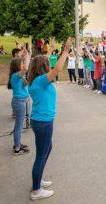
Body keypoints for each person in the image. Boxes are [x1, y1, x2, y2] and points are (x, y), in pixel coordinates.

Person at [27, 37, 71, 200]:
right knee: (41, 154)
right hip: (43, 122)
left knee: (47, 149)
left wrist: (51, 49)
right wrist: (65, 51)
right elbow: (58, 69)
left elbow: (46, 64)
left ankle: (38, 180)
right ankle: (36, 190)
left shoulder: (35, 80)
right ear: (43, 67)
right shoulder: (40, 81)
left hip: (42, 120)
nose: (49, 64)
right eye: (47, 63)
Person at [8, 48, 30, 155]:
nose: (22, 65)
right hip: (19, 102)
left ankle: (18, 143)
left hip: (20, 101)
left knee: (18, 125)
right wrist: (24, 56)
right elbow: (25, 68)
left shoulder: (17, 76)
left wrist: (25, 56)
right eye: (21, 64)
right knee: (18, 126)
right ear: (18, 66)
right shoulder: (16, 76)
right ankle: (17, 148)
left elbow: (24, 68)